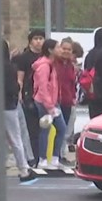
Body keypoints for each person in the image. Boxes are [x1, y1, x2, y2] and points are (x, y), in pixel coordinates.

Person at [32, 39, 72, 173]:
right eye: (58, 47)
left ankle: (54, 158)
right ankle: (43, 160)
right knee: (48, 129)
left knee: (59, 129)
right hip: (45, 103)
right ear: (50, 50)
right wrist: (50, 106)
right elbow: (42, 87)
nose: (61, 50)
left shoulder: (50, 64)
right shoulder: (44, 66)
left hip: (52, 102)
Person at [3, 40, 38, 184]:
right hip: (8, 106)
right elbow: (13, 88)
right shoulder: (9, 67)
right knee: (15, 138)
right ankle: (23, 169)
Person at [12, 30, 45, 166]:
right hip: (29, 95)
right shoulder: (24, 57)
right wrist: (20, 94)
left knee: (44, 128)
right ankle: (33, 157)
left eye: (41, 38)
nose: (38, 41)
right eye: (36, 39)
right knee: (31, 130)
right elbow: (20, 77)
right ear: (30, 41)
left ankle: (42, 157)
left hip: (43, 96)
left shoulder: (45, 56)